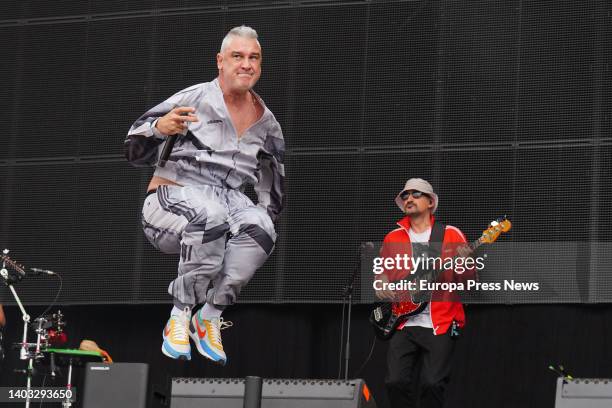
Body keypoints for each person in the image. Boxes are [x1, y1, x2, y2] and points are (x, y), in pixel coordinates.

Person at [125, 26, 285, 365]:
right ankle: (180, 315)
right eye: (237, 57)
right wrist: (158, 128)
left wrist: (258, 226)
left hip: (229, 201)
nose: (246, 64)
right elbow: (132, 149)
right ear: (220, 62)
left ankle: (209, 316)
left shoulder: (267, 123)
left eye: (253, 57)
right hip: (173, 196)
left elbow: (272, 183)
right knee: (209, 214)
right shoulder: (194, 98)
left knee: (262, 228)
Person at [375, 178, 472, 408]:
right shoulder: (392, 237)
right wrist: (381, 283)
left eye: (416, 194)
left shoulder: (450, 234)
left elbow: (468, 282)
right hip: (403, 320)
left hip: (441, 319)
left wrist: (466, 263)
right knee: (394, 382)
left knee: (432, 384)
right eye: (406, 195)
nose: (409, 198)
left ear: (430, 202)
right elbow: (383, 272)